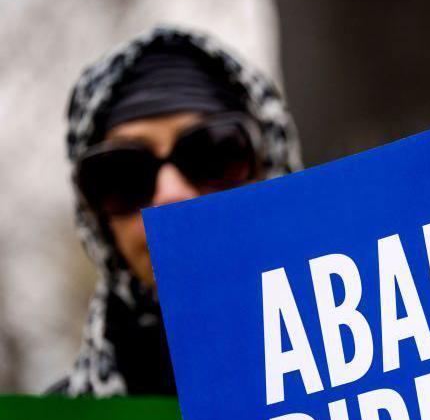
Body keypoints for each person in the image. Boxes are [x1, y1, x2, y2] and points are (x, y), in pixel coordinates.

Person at [51, 26, 301, 397]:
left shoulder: (398, 367)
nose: (171, 195)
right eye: (124, 172)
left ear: (270, 169)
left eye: (213, 155)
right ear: (98, 222)